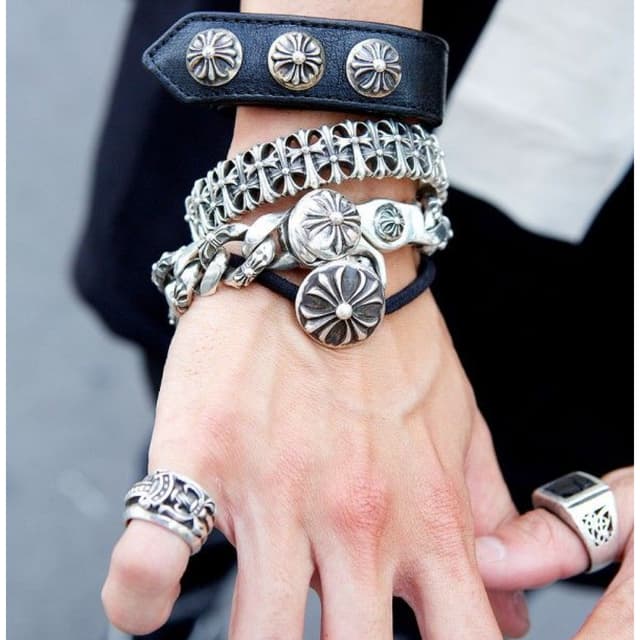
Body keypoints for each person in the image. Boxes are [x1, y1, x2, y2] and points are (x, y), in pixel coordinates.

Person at [73, 0, 633, 638]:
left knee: (455, 522)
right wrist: (324, 138)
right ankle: (188, 579)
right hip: (288, 72)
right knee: (221, 430)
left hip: (602, 252)